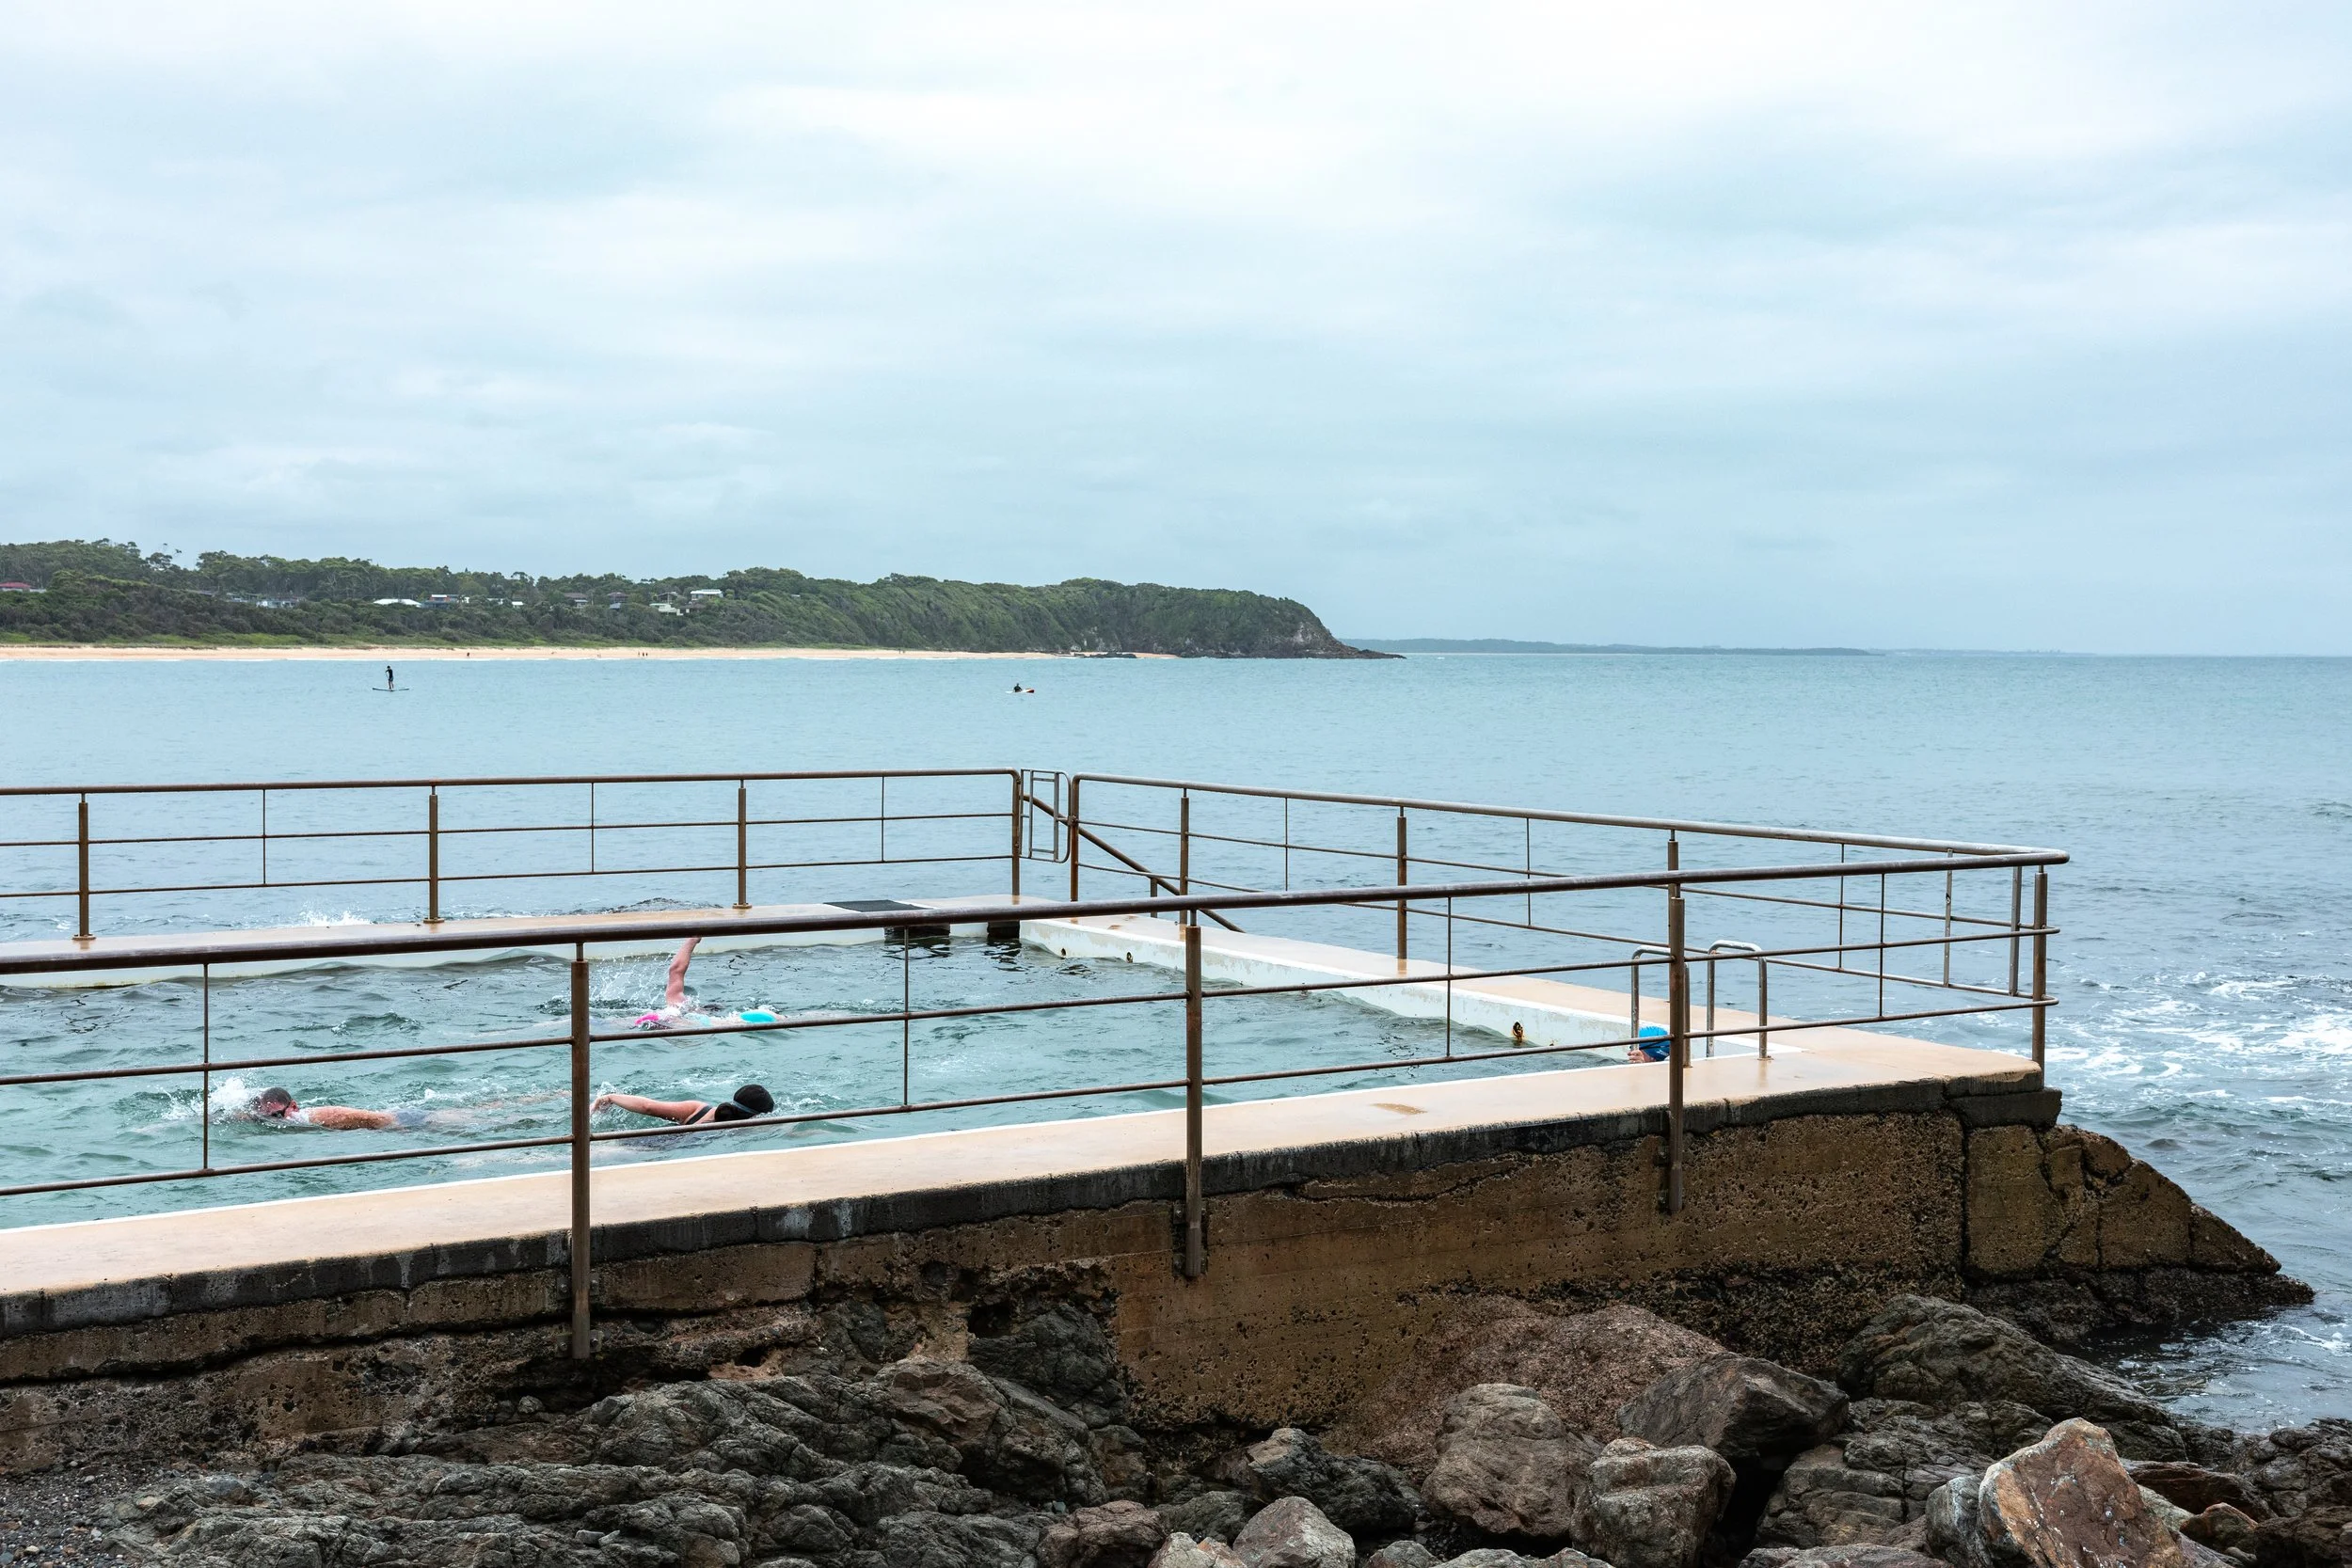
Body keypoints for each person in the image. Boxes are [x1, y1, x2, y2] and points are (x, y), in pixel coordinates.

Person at [632, 937, 781, 1030]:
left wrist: (692, 939)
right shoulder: (682, 1008)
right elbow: (675, 971)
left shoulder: (676, 1006)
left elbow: (675, 971)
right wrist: (693, 939)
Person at [594, 1084, 776, 1127]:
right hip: (659, 1152)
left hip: (648, 1142)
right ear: (757, 1116)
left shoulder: (698, 1108)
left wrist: (610, 1097)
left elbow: (648, 1107)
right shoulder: (747, 1129)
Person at [251, 1085, 426, 1131]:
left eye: (278, 1116)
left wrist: (401, 1130)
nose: (275, 1121)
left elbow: (379, 1118)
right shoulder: (278, 1119)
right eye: (269, 1118)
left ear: (294, 1106)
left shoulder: (323, 1116)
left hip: (406, 1120)